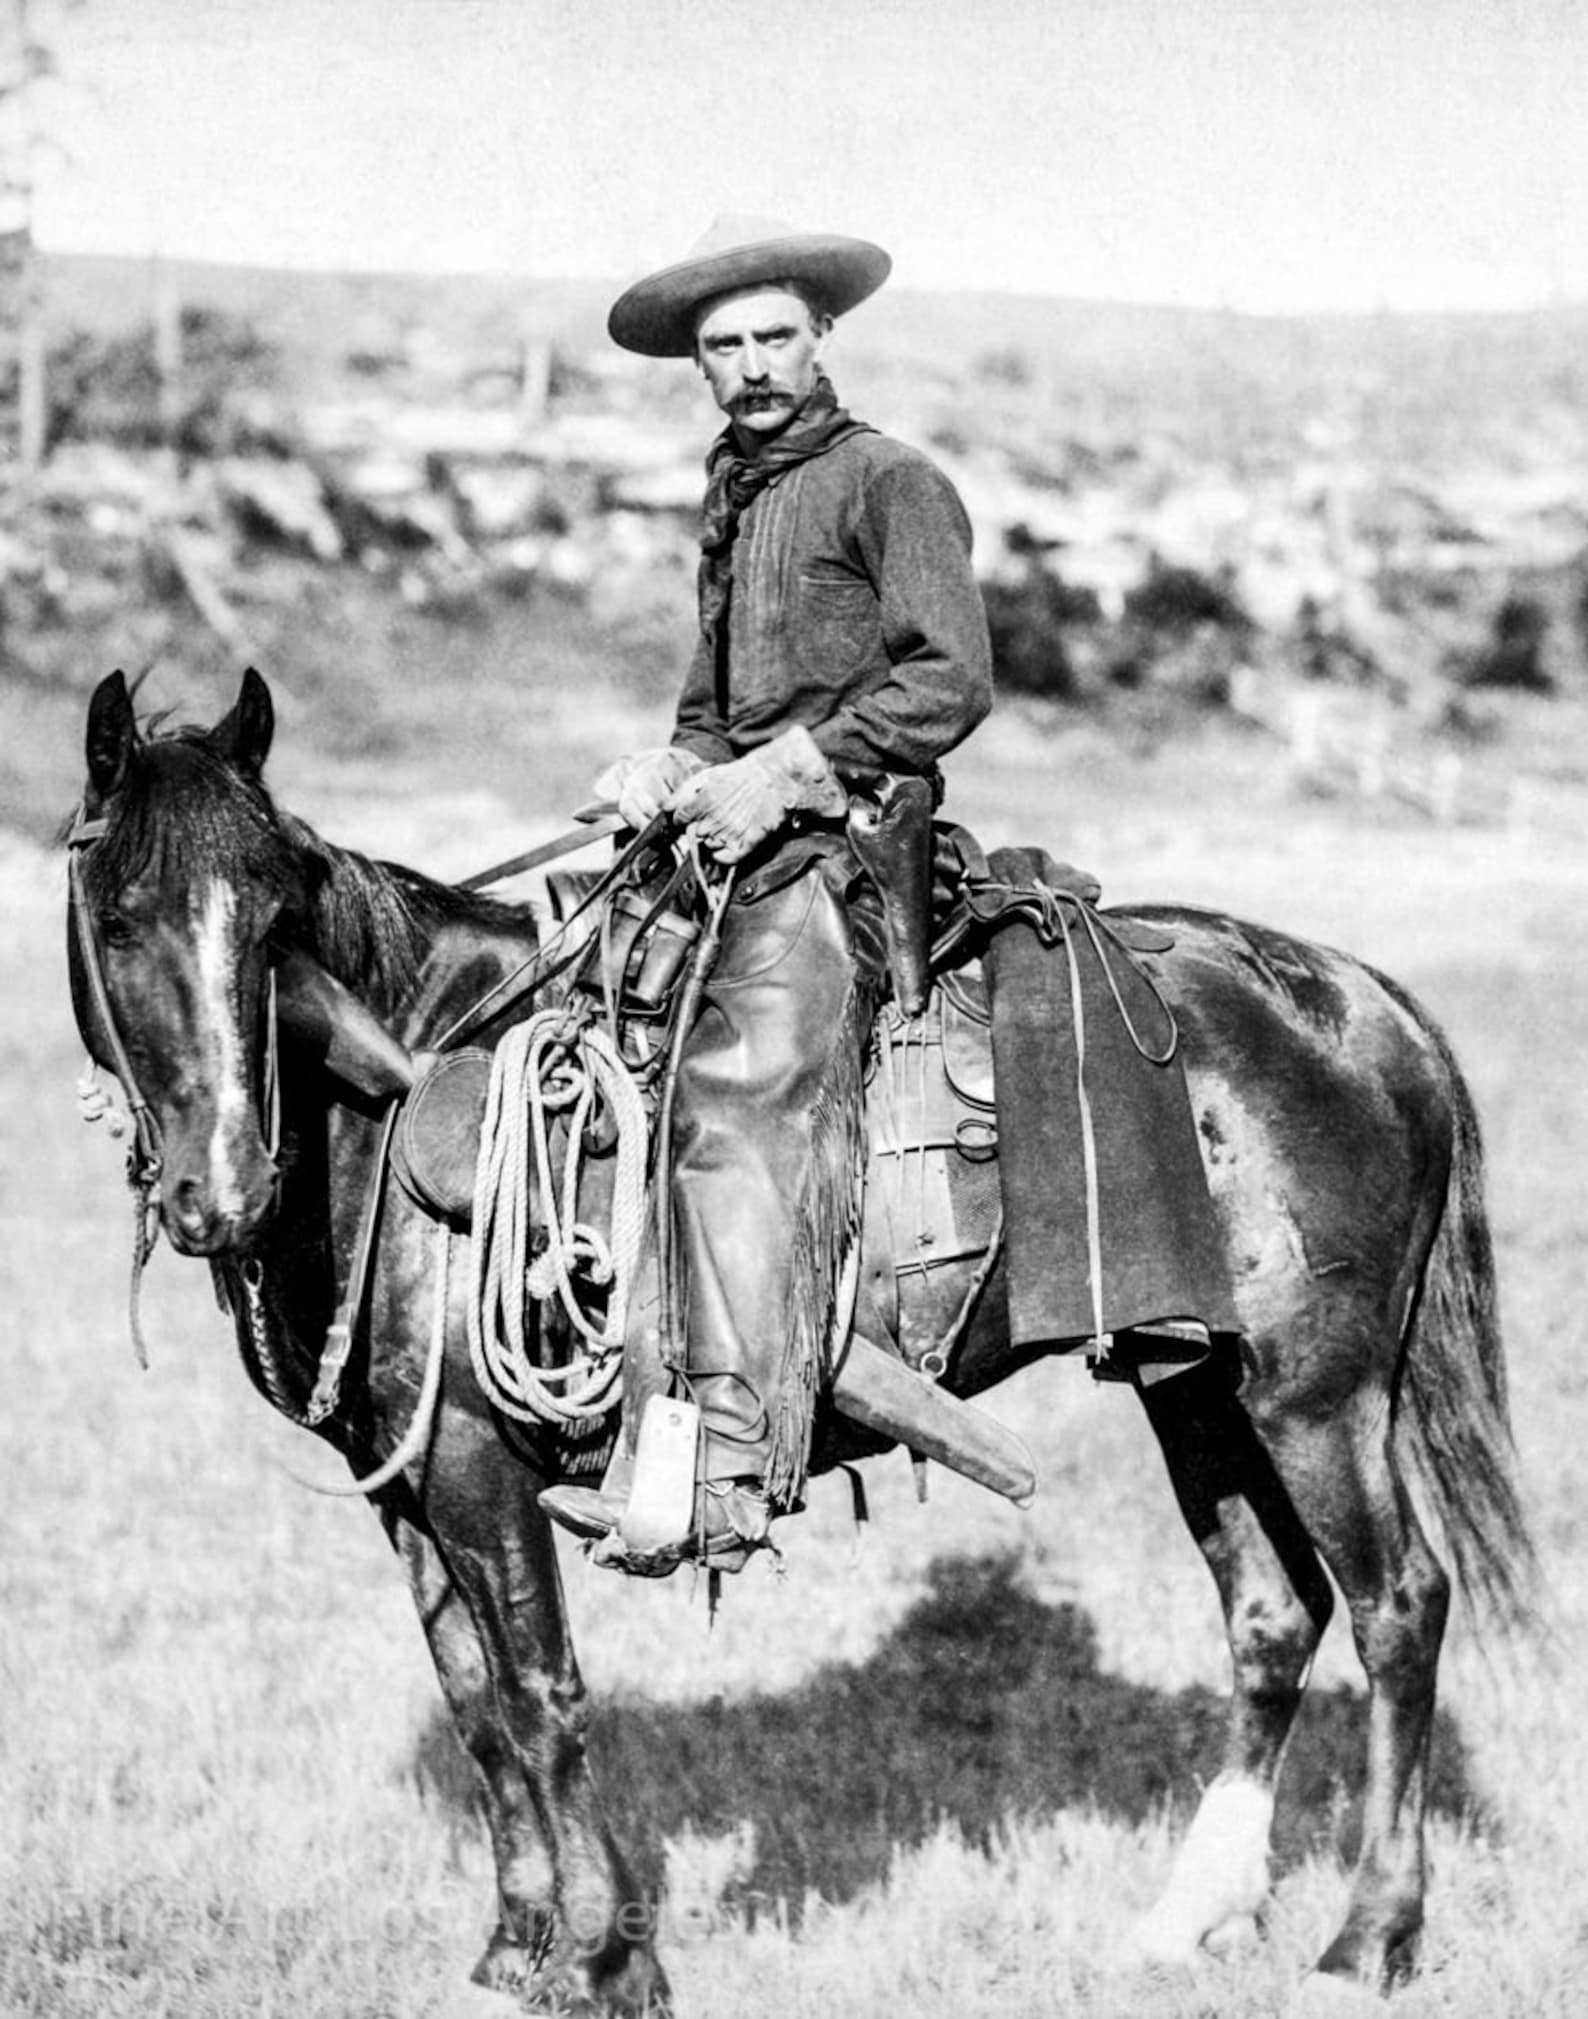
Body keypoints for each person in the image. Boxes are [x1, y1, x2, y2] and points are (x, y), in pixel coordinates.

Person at [540, 215, 993, 1572]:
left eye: (771, 338)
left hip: (849, 848)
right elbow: (709, 708)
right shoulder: (735, 494)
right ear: (699, 368)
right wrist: (663, 766)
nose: (749, 365)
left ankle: (726, 1468)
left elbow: (948, 681)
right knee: (571, 1005)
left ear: (822, 341)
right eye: (722, 346)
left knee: (739, 1093)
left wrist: (791, 769)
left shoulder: (888, 483)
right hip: (741, 837)